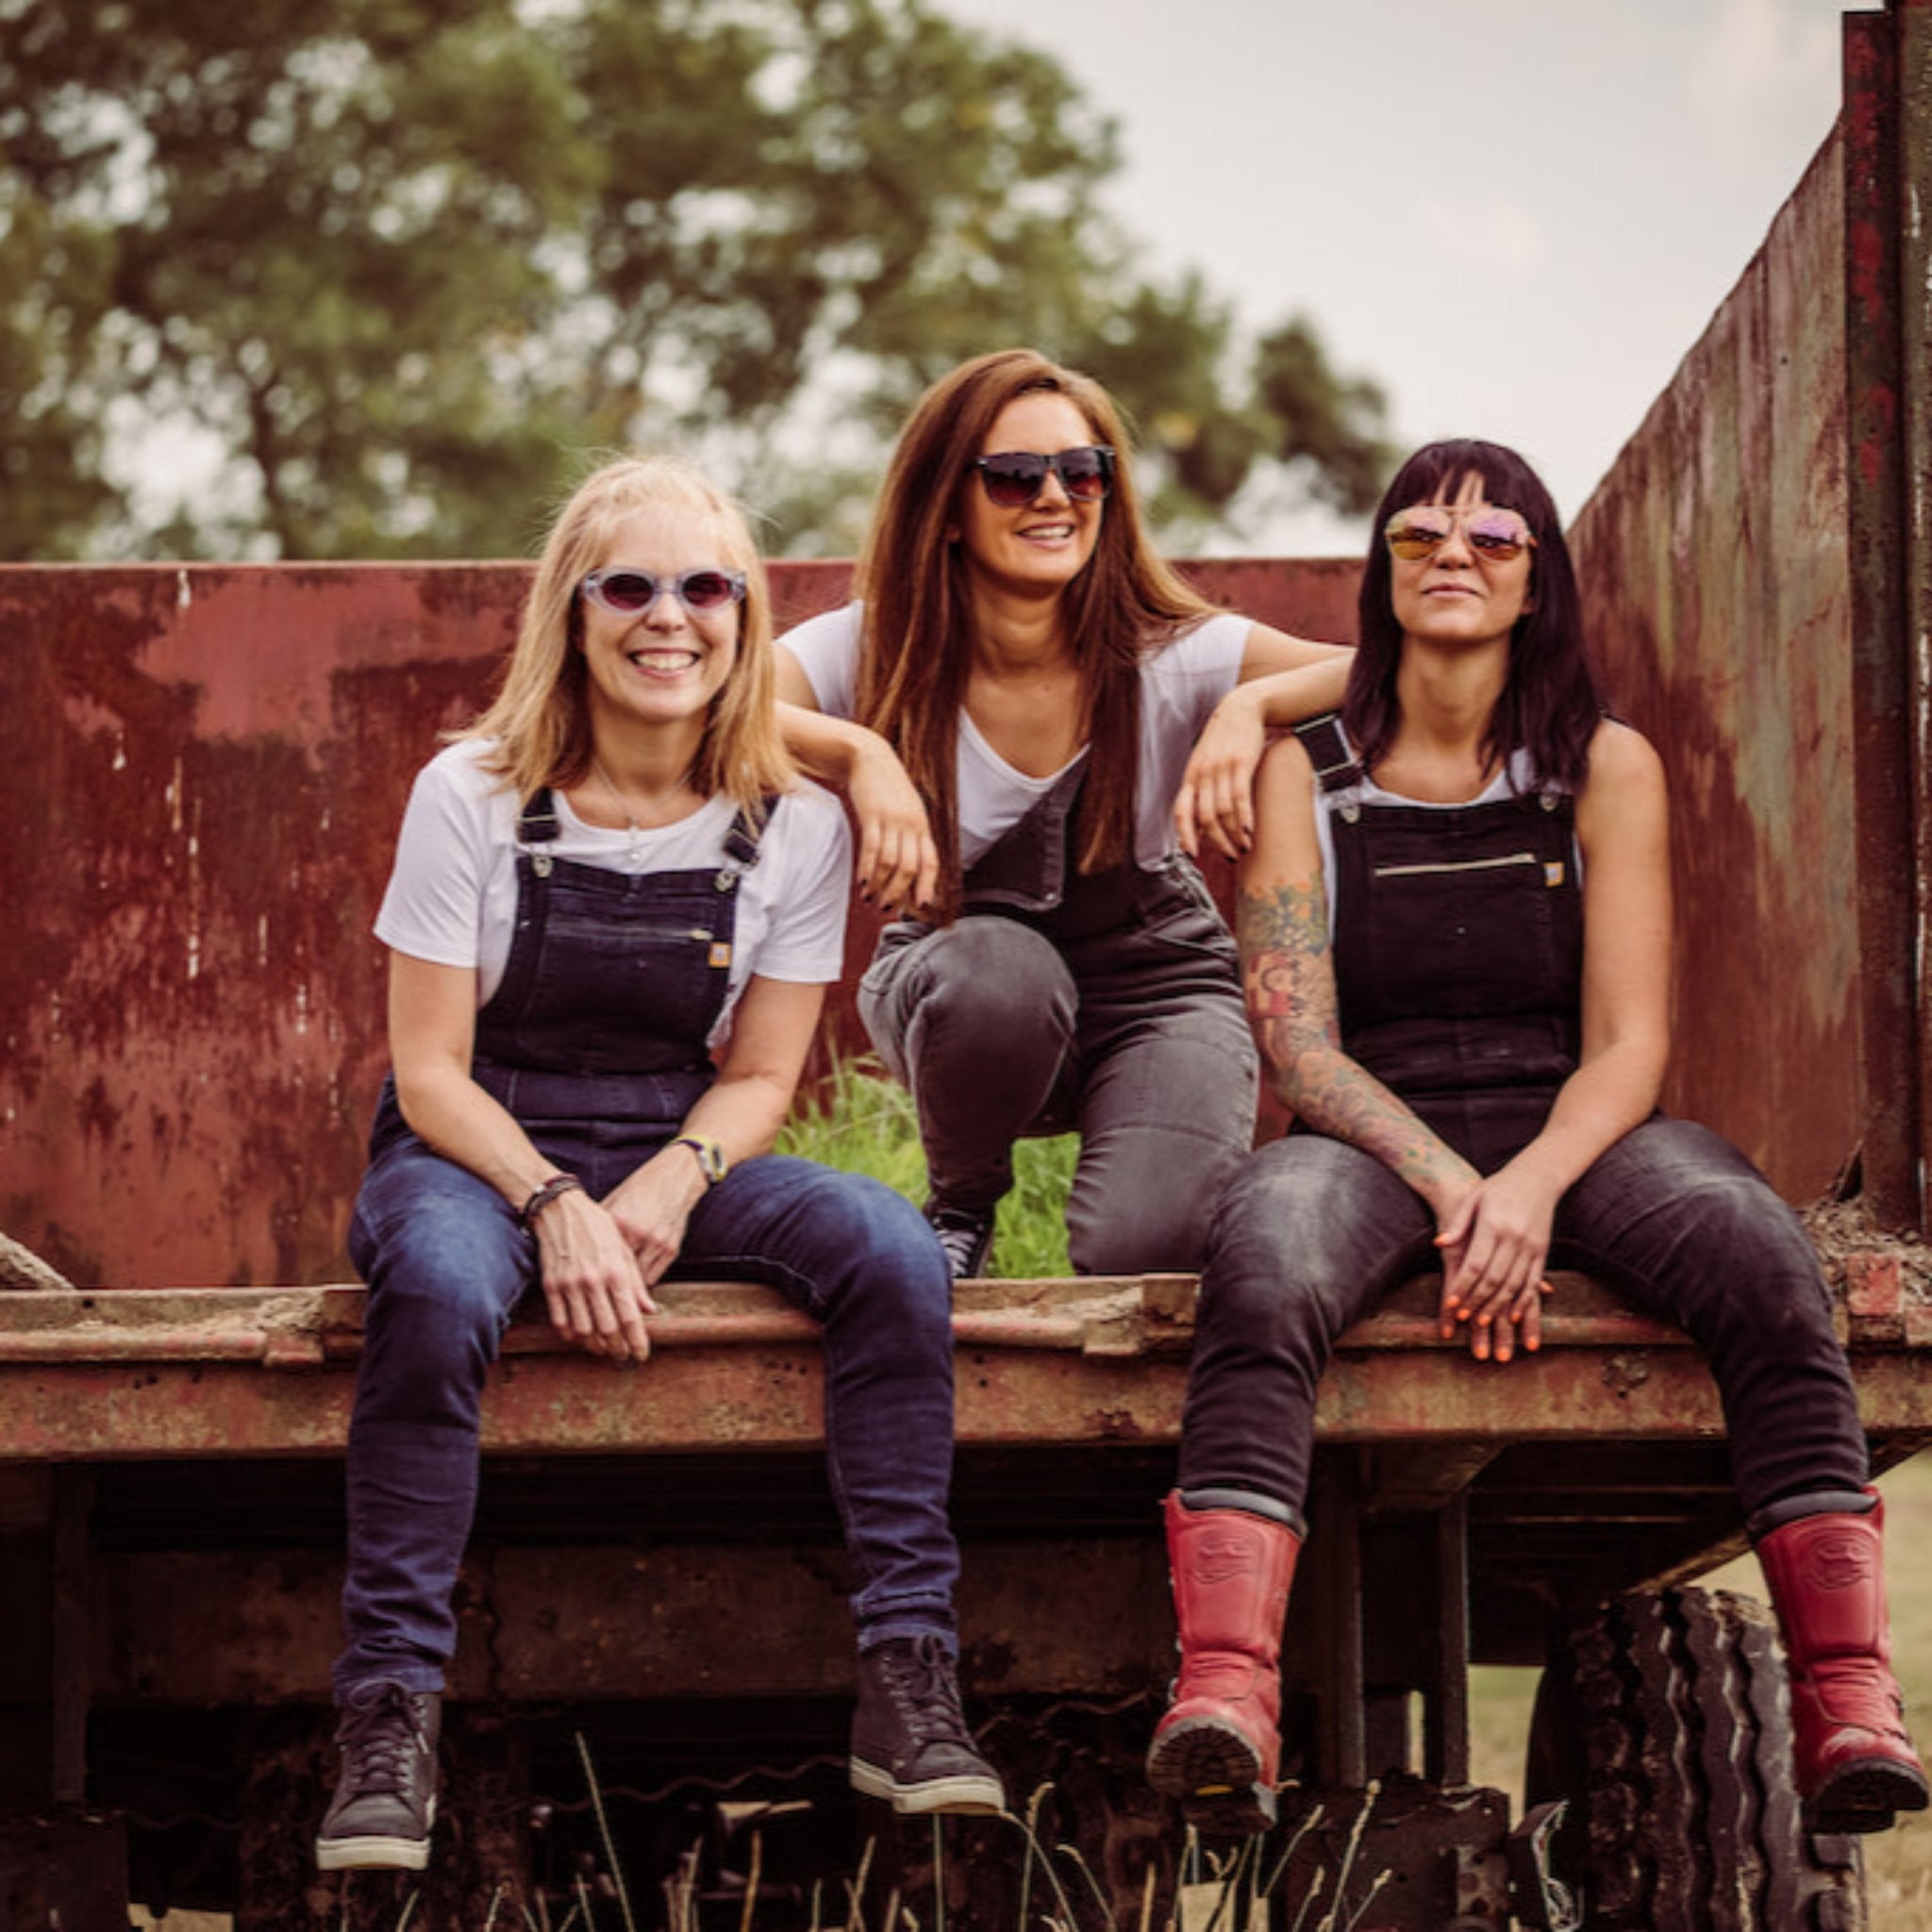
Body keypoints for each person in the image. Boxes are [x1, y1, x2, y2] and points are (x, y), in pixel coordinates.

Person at [1145, 438, 1930, 1840]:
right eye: (1420, 537)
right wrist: (1457, 1188)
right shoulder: (1300, 775)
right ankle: (1226, 1700)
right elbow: (1299, 1047)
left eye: (1493, 539)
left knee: (1759, 1252)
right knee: (1264, 1256)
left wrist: (1533, 1187)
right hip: (1369, 1131)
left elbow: (1630, 1043)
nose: (1456, 556)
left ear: (1535, 585)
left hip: (1570, 1121)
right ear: (1380, 577)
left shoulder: (1602, 767)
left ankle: (1850, 1704)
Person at [317, 457, 1003, 1874]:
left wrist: (670, 1180)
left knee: (885, 1245)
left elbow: (760, 1077)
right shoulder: (473, 794)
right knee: (442, 1289)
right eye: (628, 586)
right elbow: (430, 1074)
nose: (668, 617)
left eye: (707, 588)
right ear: (572, 617)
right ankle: (387, 1720)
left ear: (748, 620)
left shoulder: (791, 821)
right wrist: (553, 1203)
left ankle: (910, 1683)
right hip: (474, 1144)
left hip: (670, 1133)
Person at [775, 347, 1353, 1280]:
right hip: (962, 987)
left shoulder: (1173, 653)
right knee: (997, 970)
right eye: (1011, 477)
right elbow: (710, 706)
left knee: (1147, 1252)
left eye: (1080, 471)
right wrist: (859, 749)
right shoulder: (873, 648)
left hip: (1157, 987)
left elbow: (1387, 672)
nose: (1053, 495)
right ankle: (960, 1204)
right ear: (946, 506)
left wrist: (1251, 704)